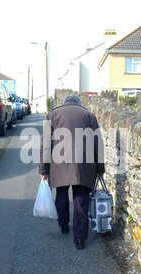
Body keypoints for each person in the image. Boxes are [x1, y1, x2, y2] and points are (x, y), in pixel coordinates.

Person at [39, 94, 105, 250]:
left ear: (64, 103)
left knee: (61, 196)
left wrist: (44, 169)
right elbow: (98, 144)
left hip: (58, 164)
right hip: (84, 164)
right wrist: (100, 169)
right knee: (81, 200)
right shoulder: (89, 115)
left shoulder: (53, 115)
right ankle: (80, 239)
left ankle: (63, 224)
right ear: (79, 103)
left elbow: (46, 145)